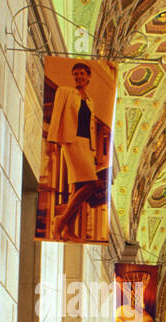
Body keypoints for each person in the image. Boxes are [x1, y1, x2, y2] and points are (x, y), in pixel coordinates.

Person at [46, 62, 104, 241]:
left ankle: (68, 230)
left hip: (87, 145)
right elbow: (56, 115)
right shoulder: (65, 92)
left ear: (88, 77)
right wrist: (51, 140)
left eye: (81, 74)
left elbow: (91, 127)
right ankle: (61, 221)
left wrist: (94, 151)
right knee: (92, 184)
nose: (78, 77)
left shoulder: (90, 101)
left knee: (78, 188)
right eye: (76, 74)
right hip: (71, 142)